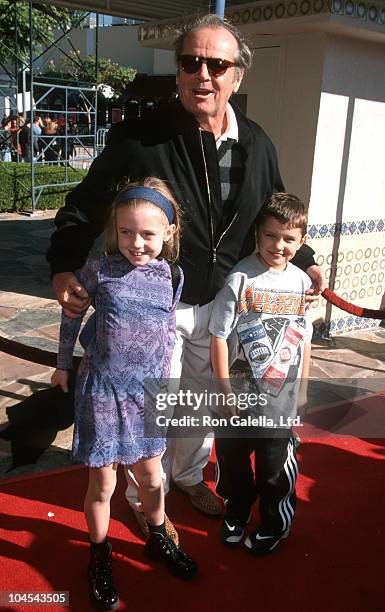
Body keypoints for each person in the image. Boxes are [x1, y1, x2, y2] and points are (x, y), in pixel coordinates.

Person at [46, 14, 324, 541]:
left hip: (222, 306)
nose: (204, 74)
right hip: (155, 305)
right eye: (190, 62)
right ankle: (140, 497)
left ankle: (191, 477)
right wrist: (62, 266)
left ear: (237, 76)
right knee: (153, 402)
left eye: (217, 64)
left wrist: (304, 257)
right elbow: (83, 207)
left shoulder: (256, 143)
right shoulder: (140, 137)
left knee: (200, 400)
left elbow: (275, 211)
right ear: (177, 72)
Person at [51, 177, 197, 611]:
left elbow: (166, 331)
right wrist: (62, 364)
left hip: (147, 395)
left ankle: (158, 537)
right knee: (104, 484)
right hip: (103, 394)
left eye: (148, 234)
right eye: (127, 231)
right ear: (115, 228)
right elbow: (71, 314)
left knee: (153, 477)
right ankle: (99, 554)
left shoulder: (172, 274)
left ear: (169, 232)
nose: (136, 243)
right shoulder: (101, 267)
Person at [209, 193, 312, 554]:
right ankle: (236, 510)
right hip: (237, 394)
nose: (278, 245)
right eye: (270, 235)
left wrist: (301, 390)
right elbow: (219, 337)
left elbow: (304, 340)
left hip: (279, 401)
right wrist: (223, 390)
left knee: (275, 468)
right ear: (257, 234)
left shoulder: (301, 282)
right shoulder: (240, 278)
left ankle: (274, 522)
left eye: (288, 239)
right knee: (232, 460)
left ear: (301, 241)